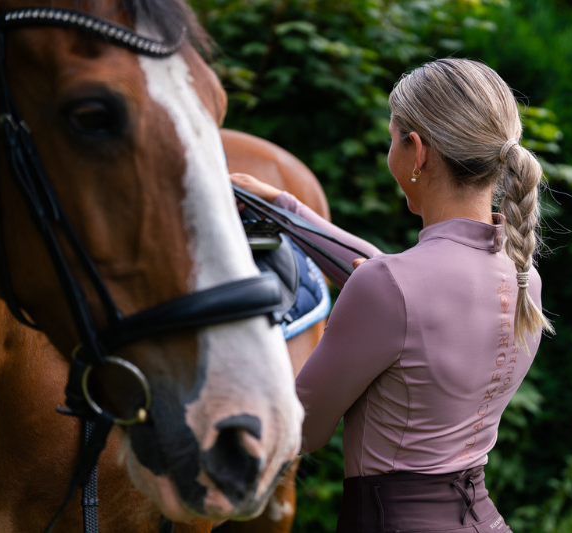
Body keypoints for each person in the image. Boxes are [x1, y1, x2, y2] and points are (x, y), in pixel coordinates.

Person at [231, 57, 553, 533]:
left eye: (391, 137)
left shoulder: (392, 289)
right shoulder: (523, 274)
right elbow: (401, 283)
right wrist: (285, 209)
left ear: (416, 151)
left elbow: (299, 429)